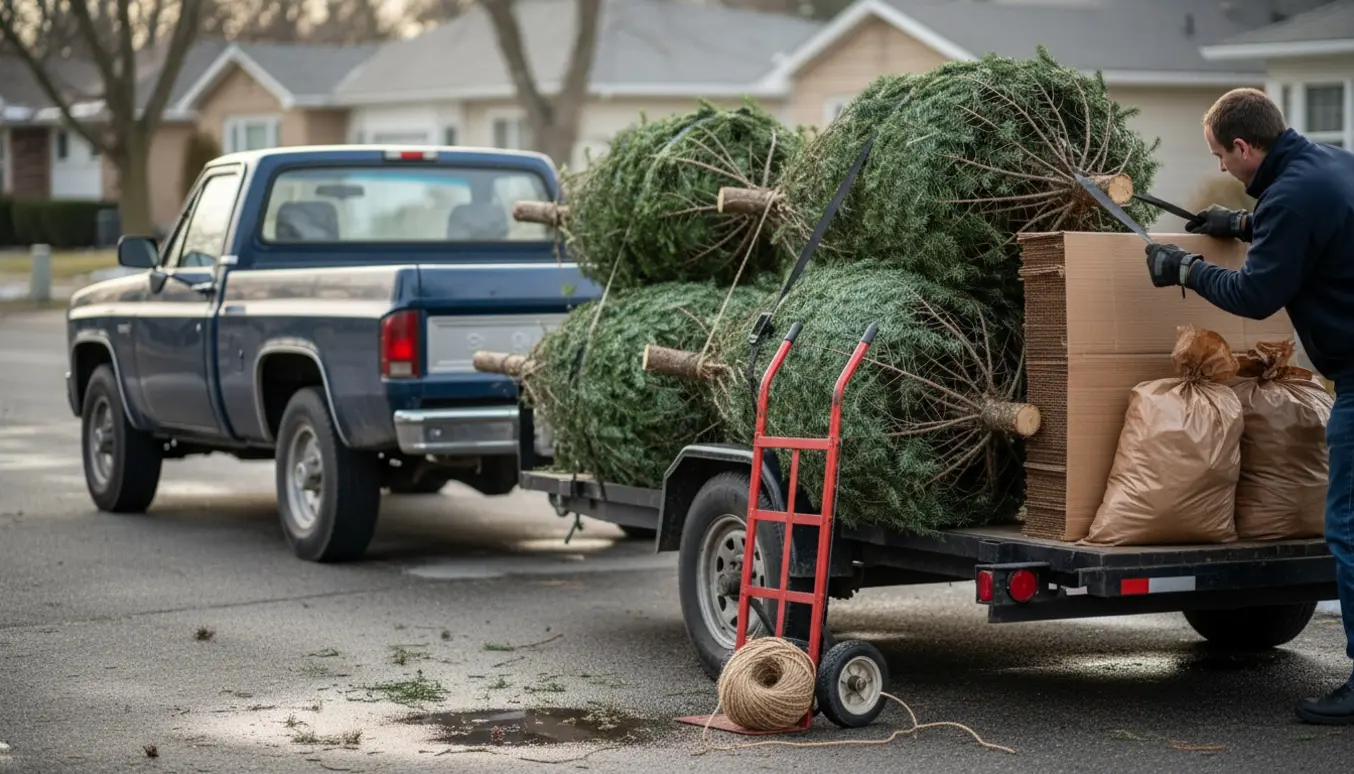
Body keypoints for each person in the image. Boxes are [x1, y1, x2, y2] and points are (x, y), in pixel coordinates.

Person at [1143, 87, 1354, 725]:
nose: (1225, 169)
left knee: (1346, 528)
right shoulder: (1332, 164)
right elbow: (1309, 224)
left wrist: (1183, 270)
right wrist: (1236, 225)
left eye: (1222, 157)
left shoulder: (1289, 195)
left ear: (1244, 146)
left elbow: (1258, 293)